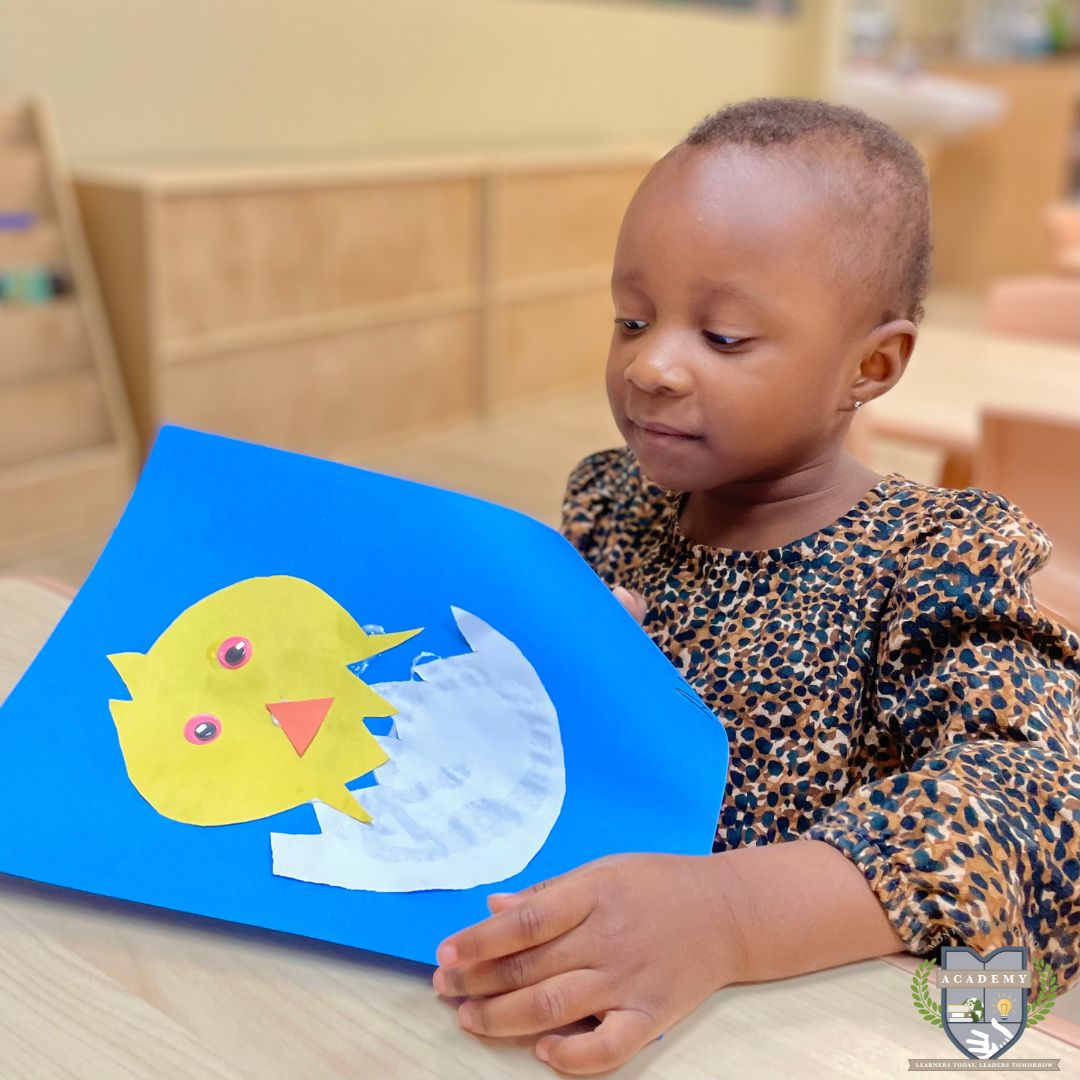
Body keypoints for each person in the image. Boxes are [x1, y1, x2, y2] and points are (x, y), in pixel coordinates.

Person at [430, 98, 1080, 1075]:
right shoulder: (614, 505)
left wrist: (733, 916)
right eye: (631, 318)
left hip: (796, 1035)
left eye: (724, 337)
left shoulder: (942, 555)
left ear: (870, 364)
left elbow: (1037, 807)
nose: (650, 364)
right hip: (572, 995)